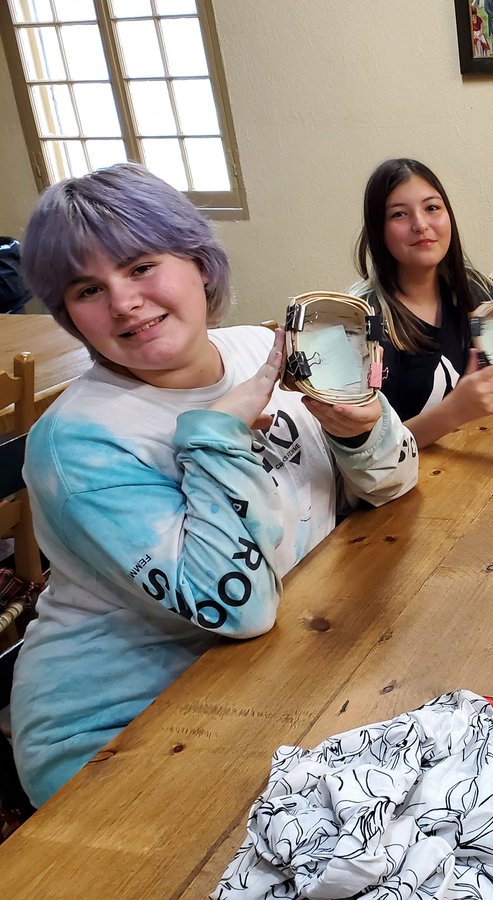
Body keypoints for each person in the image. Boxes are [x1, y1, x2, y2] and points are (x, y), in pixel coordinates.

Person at [10, 164, 419, 807]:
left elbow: (395, 482)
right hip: (120, 736)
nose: (123, 301)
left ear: (199, 263)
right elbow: (235, 607)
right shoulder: (79, 442)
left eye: (141, 266)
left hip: (280, 680)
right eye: (87, 289)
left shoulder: (261, 346)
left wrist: (358, 430)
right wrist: (217, 434)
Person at [353, 158, 493, 448]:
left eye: (432, 208)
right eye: (399, 214)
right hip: (402, 485)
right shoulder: (363, 322)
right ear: (378, 230)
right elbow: (369, 450)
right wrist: (455, 409)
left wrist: (480, 394)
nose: (420, 224)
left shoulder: (469, 287)